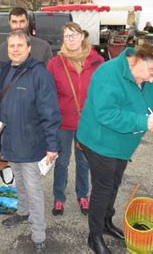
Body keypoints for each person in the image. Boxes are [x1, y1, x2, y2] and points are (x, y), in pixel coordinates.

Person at [77, 44, 153, 254]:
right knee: (103, 187)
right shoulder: (108, 73)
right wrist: (143, 122)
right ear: (140, 58)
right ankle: (95, 235)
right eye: (152, 74)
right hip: (100, 142)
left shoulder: (146, 75)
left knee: (114, 183)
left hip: (122, 146)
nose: (152, 80)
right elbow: (106, 113)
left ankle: (106, 222)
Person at [0, 30, 61, 253]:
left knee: (33, 188)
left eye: (20, 45)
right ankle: (22, 212)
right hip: (9, 141)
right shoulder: (3, 70)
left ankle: (39, 234)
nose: (15, 49)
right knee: (18, 181)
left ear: (29, 48)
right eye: (11, 46)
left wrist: (52, 145)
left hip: (30, 143)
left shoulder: (39, 74)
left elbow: (50, 112)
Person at [47, 22, 104, 216]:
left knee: (84, 161)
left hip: (87, 122)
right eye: (66, 36)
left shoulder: (97, 61)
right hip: (63, 122)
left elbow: (104, 92)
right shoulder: (55, 63)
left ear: (82, 36)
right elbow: (48, 95)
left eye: (74, 35)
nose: (70, 39)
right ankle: (58, 198)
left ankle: (83, 195)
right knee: (61, 162)